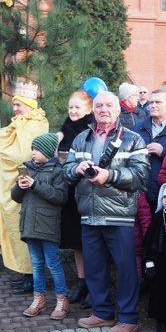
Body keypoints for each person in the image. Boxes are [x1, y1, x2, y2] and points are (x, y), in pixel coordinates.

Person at [63, 91, 150, 332]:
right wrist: (76, 169)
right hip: (89, 214)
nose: (104, 109)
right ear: (93, 110)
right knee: (94, 267)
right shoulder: (81, 138)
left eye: (109, 105)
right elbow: (66, 171)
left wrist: (109, 176)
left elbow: (140, 177)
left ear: (118, 109)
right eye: (99, 105)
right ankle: (102, 312)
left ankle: (128, 318)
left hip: (119, 215)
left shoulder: (133, 139)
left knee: (125, 269)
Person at [0, 83, 50, 295]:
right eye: (13, 104)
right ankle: (27, 275)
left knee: (27, 231)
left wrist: (0, 140)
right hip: (17, 185)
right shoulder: (21, 123)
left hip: (28, 185)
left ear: (28, 104)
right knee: (20, 230)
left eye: (18, 105)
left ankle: (34, 278)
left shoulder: (35, 124)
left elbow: (21, 154)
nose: (14, 109)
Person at [11, 133, 69, 320]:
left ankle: (62, 300)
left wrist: (35, 185)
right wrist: (20, 186)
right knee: (36, 265)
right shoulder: (27, 169)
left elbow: (60, 197)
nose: (33, 153)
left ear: (46, 151)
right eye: (32, 149)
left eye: (36, 149)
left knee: (53, 264)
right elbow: (16, 196)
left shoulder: (57, 172)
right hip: (29, 224)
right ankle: (39, 299)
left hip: (48, 226)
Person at [56, 90, 95, 306]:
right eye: (70, 107)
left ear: (88, 110)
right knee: (75, 241)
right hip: (69, 192)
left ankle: (94, 283)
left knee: (90, 241)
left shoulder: (91, 130)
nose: (73, 111)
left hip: (87, 191)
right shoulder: (64, 130)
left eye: (77, 107)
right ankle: (81, 281)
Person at [132, 89, 166, 209]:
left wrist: (163, 152)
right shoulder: (138, 128)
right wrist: (139, 153)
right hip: (140, 191)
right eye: (151, 102)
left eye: (158, 102)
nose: (153, 105)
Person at [143, 183, 166, 332]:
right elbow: (149, 242)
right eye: (164, 197)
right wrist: (149, 262)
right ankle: (161, 321)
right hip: (160, 261)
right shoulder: (159, 217)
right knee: (159, 292)